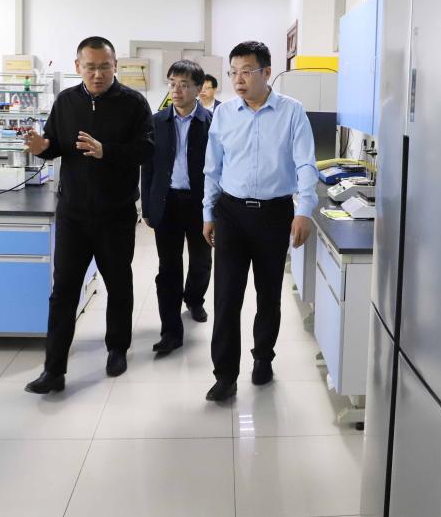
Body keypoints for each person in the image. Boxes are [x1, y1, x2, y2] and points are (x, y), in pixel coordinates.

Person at [22, 36, 154, 394]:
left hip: (116, 213)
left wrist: (106, 151)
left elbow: (146, 150)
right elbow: (54, 145)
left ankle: (117, 349)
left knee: (118, 285)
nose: (98, 74)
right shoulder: (66, 101)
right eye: (90, 67)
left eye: (105, 67)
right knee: (63, 290)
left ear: (115, 66)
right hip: (73, 215)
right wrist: (42, 148)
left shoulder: (133, 103)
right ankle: (53, 370)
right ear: (78, 66)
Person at [202, 41, 318, 402]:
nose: (238, 79)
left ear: (266, 72)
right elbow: (213, 168)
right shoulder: (224, 114)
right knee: (227, 297)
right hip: (231, 213)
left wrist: (304, 210)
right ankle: (225, 375)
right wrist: (207, 212)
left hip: (274, 214)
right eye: (233, 72)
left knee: (269, 294)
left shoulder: (292, 112)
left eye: (246, 71)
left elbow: (306, 163)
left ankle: (263, 357)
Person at [141, 59, 213, 355]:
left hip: (200, 203)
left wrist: (216, 209)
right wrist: (147, 207)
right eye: (173, 84)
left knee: (201, 260)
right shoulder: (157, 121)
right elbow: (148, 167)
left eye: (184, 85)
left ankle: (194, 299)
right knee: (168, 266)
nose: (177, 90)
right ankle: (170, 331)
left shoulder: (212, 122)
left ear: (198, 88)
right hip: (167, 202)